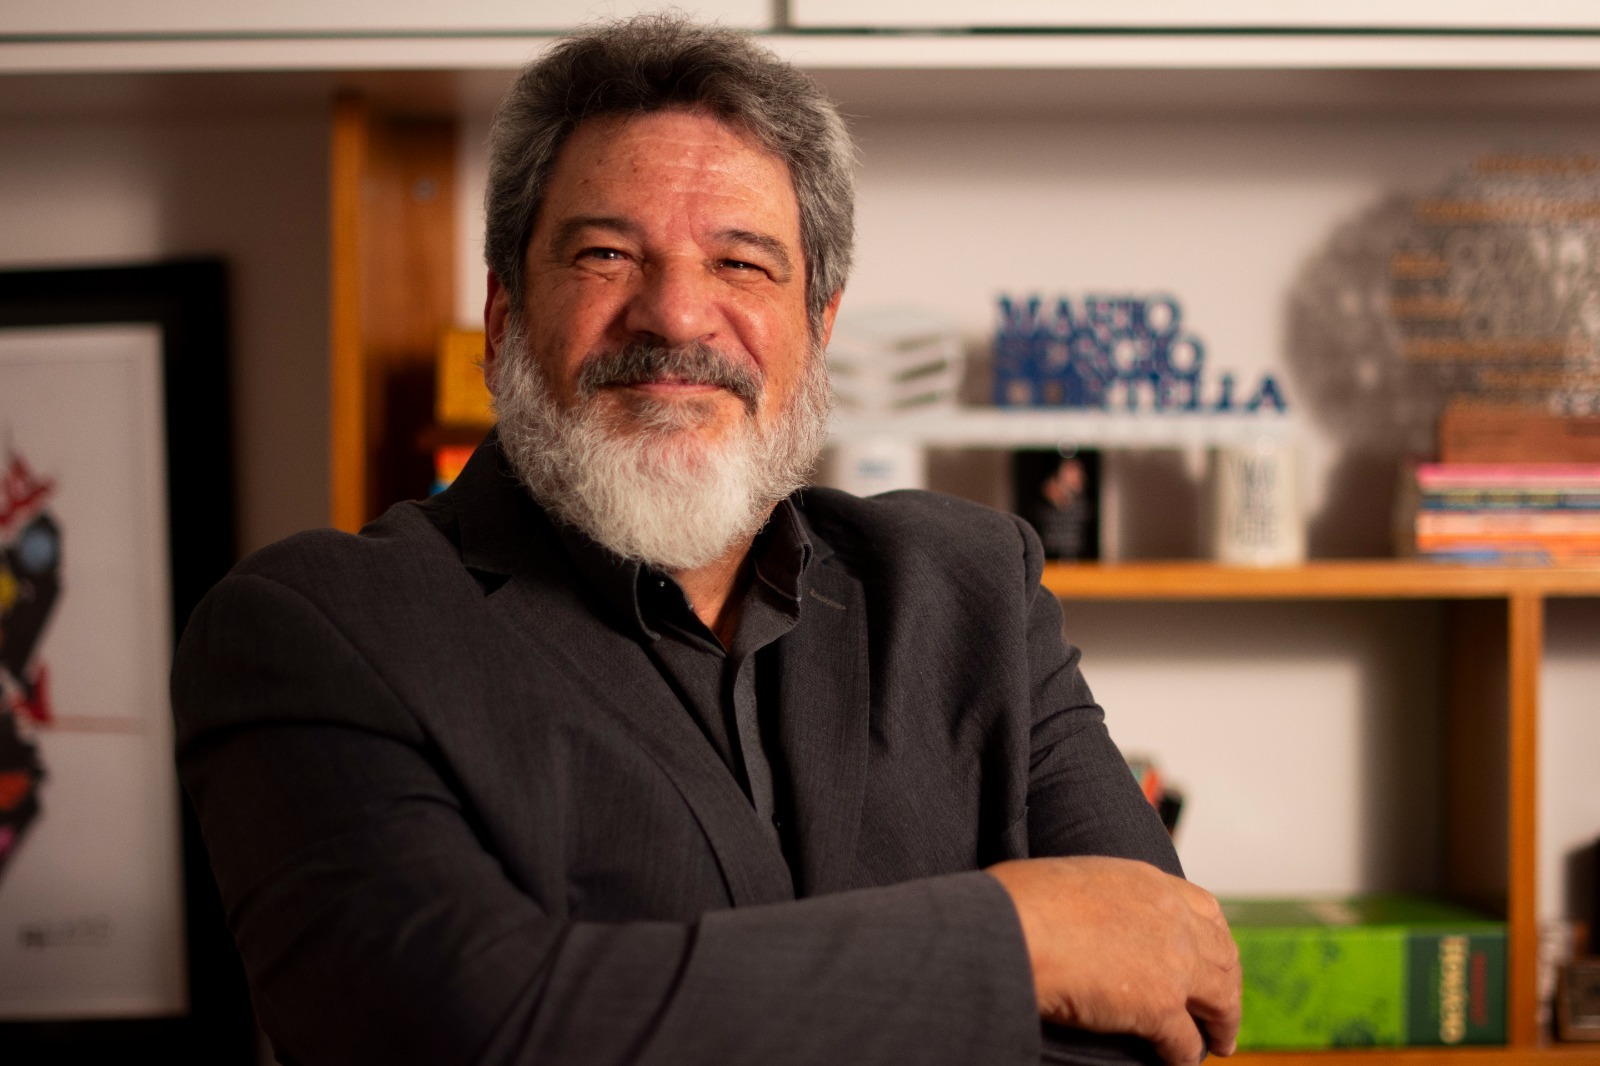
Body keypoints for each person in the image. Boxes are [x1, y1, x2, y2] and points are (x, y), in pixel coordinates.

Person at [172, 15, 1240, 1066]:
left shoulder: (974, 590)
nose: (677, 315)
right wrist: (1017, 941)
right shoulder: (314, 629)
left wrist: (630, 994)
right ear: (503, 315)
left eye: (742, 263)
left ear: (818, 329)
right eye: (605, 253)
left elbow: (1169, 994)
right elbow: (467, 1029)